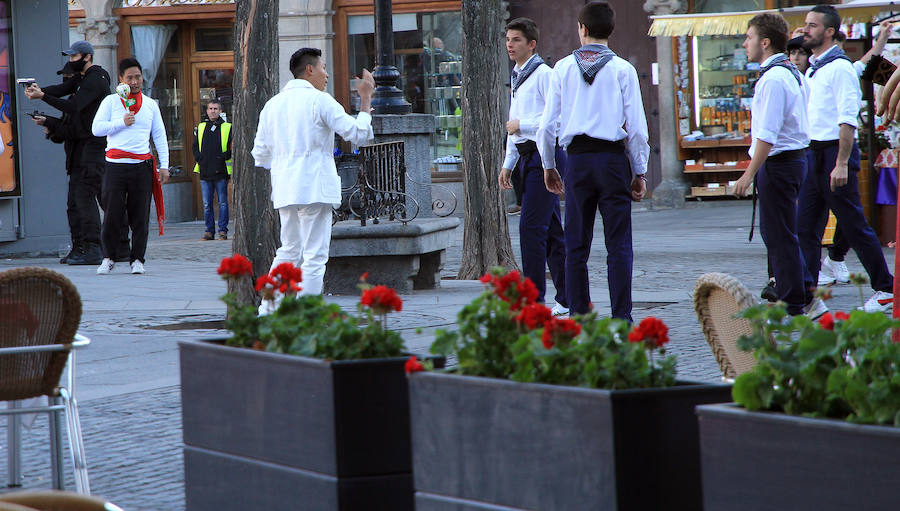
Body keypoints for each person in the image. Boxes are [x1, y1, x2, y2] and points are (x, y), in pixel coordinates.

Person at [537, 1, 649, 321]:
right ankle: (622, 318)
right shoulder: (623, 69)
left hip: (577, 162)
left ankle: (579, 314)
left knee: (575, 244)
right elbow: (637, 128)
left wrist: (549, 165)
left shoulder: (561, 68)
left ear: (582, 28)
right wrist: (639, 171)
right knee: (619, 244)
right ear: (610, 30)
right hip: (612, 160)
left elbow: (547, 125)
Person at [252, 48, 375, 313]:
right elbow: (358, 134)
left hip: (286, 187)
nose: (326, 74)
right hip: (315, 185)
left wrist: (284, 164)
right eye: (323, 67)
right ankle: (306, 313)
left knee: (289, 250)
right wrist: (365, 100)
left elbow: (260, 154)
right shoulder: (320, 100)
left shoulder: (272, 105)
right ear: (309, 69)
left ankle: (267, 311)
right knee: (314, 256)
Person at [798, 5, 894, 314]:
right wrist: (881, 41)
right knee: (805, 227)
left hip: (832, 153)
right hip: (813, 152)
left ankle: (887, 288)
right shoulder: (815, 67)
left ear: (829, 32)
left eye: (812, 25)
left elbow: (847, 120)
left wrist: (840, 163)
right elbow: (866, 64)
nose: (805, 30)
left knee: (853, 225)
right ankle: (806, 296)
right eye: (805, 24)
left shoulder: (838, 68)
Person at [733, 13, 812, 317]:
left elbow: (767, 134)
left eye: (749, 37)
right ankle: (802, 290)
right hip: (791, 160)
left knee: (779, 235)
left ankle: (793, 302)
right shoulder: (790, 72)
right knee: (782, 232)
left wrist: (748, 173)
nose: (745, 43)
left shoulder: (775, 78)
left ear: (765, 42)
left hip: (780, 163)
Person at [498, 17, 567, 316]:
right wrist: (508, 164)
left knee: (531, 229)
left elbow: (556, 120)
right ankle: (568, 297)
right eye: (508, 39)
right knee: (551, 233)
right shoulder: (517, 75)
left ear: (532, 44)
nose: (509, 45)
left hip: (545, 158)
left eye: (516, 40)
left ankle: (533, 301)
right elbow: (513, 126)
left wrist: (521, 125)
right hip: (527, 158)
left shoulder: (544, 75)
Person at [25, 40, 112, 266]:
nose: (71, 61)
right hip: (79, 152)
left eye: (74, 57)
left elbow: (74, 108)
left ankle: (96, 248)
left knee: (85, 198)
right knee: (75, 203)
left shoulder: (96, 79)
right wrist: (39, 91)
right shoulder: (82, 80)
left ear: (87, 57)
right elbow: (61, 90)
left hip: (93, 149)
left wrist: (42, 98)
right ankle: (81, 247)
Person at [92, 57, 170, 275]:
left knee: (140, 216)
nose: (134, 82)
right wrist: (121, 122)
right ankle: (108, 257)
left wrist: (164, 165)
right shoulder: (111, 102)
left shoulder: (150, 105)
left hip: (141, 166)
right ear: (121, 79)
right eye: (130, 78)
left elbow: (159, 135)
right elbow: (96, 129)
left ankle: (138, 259)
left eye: (138, 77)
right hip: (115, 166)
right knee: (112, 215)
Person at [192, 100, 232, 241]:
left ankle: (222, 231)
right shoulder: (201, 126)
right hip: (205, 170)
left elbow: (231, 146)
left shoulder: (227, 127)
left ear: (220, 111)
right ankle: (209, 231)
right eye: (210, 108)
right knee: (207, 204)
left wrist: (223, 157)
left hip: (221, 170)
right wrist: (200, 159)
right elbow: (195, 146)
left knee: (222, 203)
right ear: (207, 111)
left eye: (215, 108)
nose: (213, 111)